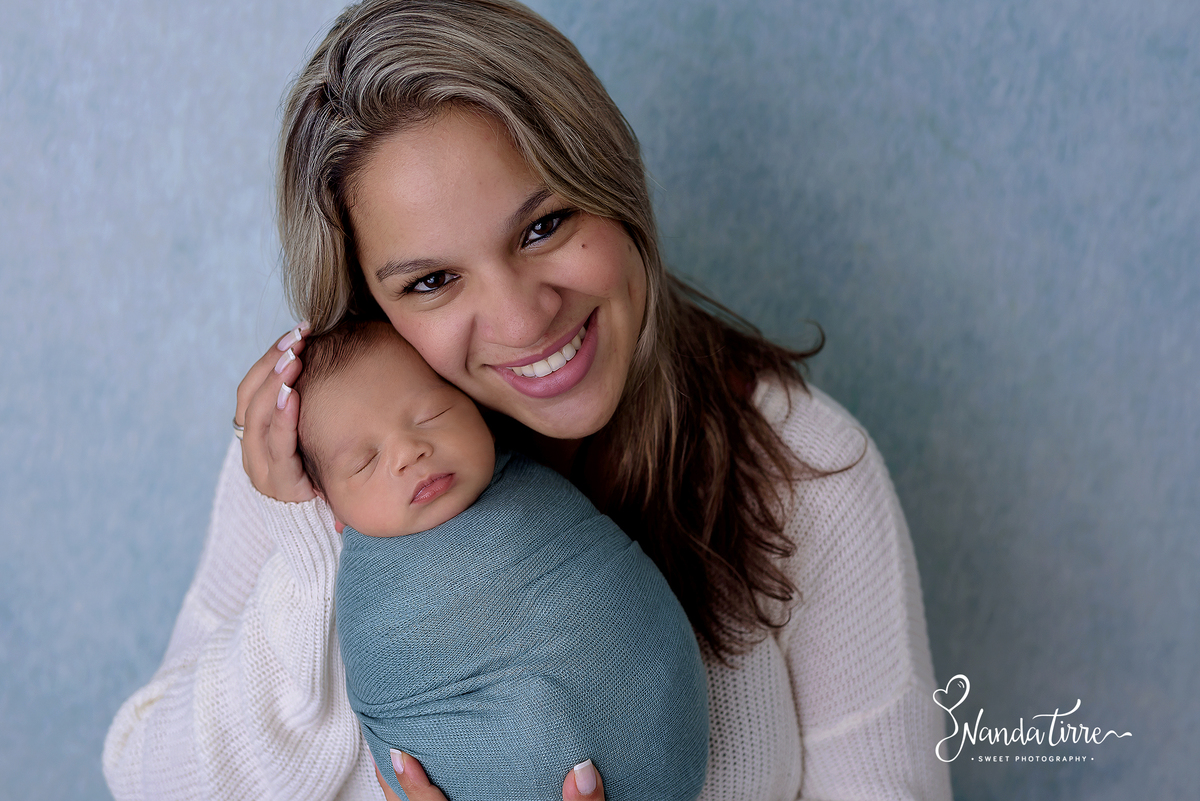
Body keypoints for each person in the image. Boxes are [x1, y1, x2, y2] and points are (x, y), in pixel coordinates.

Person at [104, 1, 953, 799]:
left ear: (611, 179)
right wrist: (314, 540)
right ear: (367, 300)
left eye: (543, 225)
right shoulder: (330, 448)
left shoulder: (805, 472)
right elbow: (145, 776)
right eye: (433, 280)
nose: (520, 318)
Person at [297, 319, 708, 800]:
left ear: (476, 408)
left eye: (431, 414)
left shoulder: (532, 486)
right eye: (364, 462)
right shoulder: (360, 592)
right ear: (328, 507)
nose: (410, 451)